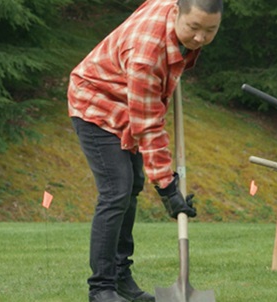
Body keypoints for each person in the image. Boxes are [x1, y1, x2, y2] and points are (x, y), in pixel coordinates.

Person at [67, 0, 222, 301]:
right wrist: (168, 190)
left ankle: (120, 276)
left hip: (127, 99)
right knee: (116, 191)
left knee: (132, 186)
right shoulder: (145, 57)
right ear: (177, 13)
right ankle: (101, 288)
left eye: (210, 30)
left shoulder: (174, 11)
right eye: (194, 28)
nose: (201, 38)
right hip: (96, 101)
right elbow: (148, 126)